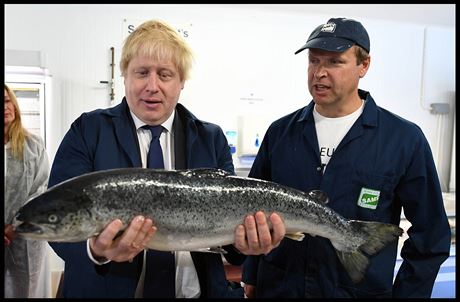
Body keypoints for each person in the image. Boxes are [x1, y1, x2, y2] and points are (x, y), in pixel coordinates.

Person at [47, 19, 285, 298]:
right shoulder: (88, 132)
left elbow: (230, 235)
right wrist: (95, 249)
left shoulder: (211, 138)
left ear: (181, 81)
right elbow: (58, 221)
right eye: (141, 72)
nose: (152, 86)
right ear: (124, 75)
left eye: (164, 74)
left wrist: (245, 244)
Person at [241, 17, 451, 298]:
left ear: (364, 65)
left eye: (335, 62)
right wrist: (252, 276)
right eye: (314, 61)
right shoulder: (280, 134)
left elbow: (431, 236)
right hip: (280, 288)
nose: (319, 73)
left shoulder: (403, 140)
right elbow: (251, 209)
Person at [4, 84, 51, 298]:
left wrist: (15, 226)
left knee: (23, 288)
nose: (5, 107)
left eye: (6, 101)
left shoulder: (33, 146)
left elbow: (40, 190)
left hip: (25, 236)